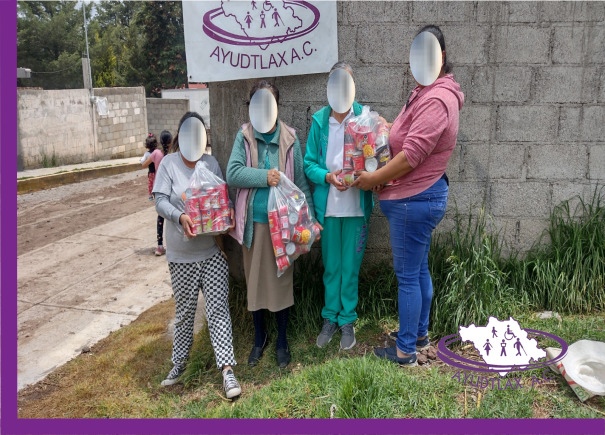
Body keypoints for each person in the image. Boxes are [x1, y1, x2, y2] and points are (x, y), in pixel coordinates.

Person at [353, 25, 464, 367]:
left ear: (441, 57)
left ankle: (404, 351)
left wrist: (374, 178)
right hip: (416, 198)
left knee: (408, 277)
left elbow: (411, 156)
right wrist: (387, 128)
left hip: (413, 200)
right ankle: (418, 335)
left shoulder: (437, 99)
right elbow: (408, 137)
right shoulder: (425, 92)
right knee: (418, 270)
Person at [226, 80, 316, 369]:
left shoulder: (290, 138)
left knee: (281, 282)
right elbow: (233, 173)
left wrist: (311, 220)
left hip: (284, 227)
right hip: (254, 225)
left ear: (277, 106)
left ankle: (282, 340)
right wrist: (264, 177)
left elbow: (300, 182)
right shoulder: (245, 136)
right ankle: (260, 337)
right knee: (255, 283)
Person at [153, 112, 241, 399]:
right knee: (184, 314)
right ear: (181, 135)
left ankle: (227, 370)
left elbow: (222, 198)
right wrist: (180, 217)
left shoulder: (210, 163)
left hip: (211, 252)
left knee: (218, 311)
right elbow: (160, 200)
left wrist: (228, 215)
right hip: (181, 257)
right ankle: (179, 363)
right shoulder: (169, 164)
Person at [303, 62, 373, 350]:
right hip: (329, 209)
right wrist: (328, 177)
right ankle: (329, 317)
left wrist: (365, 173)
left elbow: (375, 156)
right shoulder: (320, 121)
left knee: (350, 267)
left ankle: (347, 319)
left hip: (356, 208)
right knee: (332, 267)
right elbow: (308, 163)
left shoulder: (364, 118)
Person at [143, 132, 168, 256]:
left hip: (160, 187)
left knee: (161, 217)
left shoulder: (155, 153)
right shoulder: (171, 155)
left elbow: (143, 164)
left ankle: (160, 246)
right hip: (171, 187)